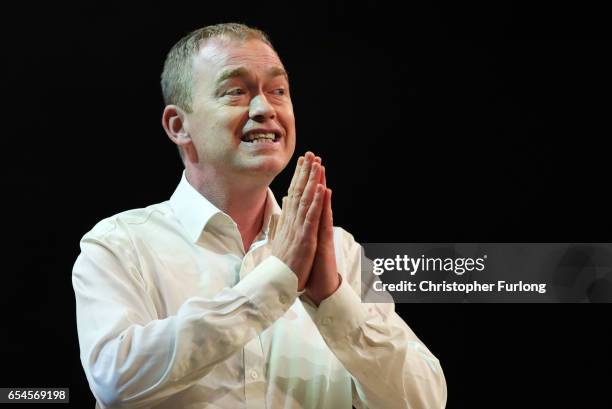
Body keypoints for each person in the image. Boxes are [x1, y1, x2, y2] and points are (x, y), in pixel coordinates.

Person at [72, 23, 447, 409]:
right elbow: (115, 381)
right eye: (236, 91)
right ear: (178, 126)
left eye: (278, 91)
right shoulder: (121, 244)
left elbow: (425, 400)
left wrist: (332, 298)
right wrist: (276, 281)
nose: (265, 108)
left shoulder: (339, 252)